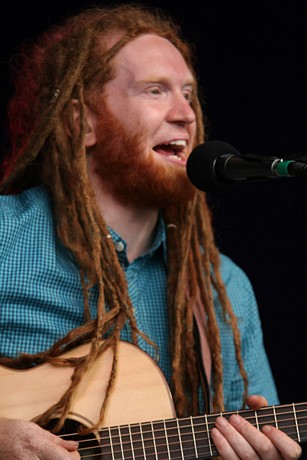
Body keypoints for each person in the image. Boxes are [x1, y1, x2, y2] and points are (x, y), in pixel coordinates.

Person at [0, 4, 302, 459]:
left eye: (188, 94)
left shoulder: (225, 290)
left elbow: (261, 431)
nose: (185, 113)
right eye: (155, 91)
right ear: (80, 121)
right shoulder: (6, 235)